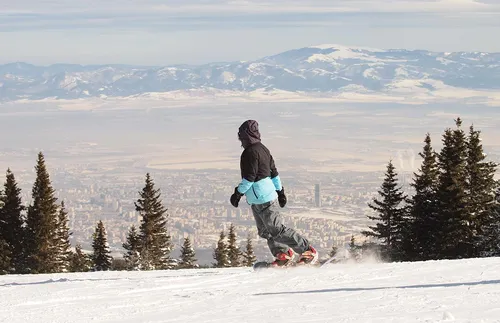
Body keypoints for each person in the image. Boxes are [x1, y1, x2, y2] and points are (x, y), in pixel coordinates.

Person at [230, 119, 318, 267]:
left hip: (264, 198)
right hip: (258, 199)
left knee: (276, 229)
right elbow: (274, 174)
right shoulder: (264, 149)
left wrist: (237, 193)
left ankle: (307, 250)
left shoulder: (249, 153)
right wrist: (280, 191)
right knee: (266, 231)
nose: (241, 140)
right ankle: (282, 254)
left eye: (242, 137)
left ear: (246, 136)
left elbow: (249, 178)